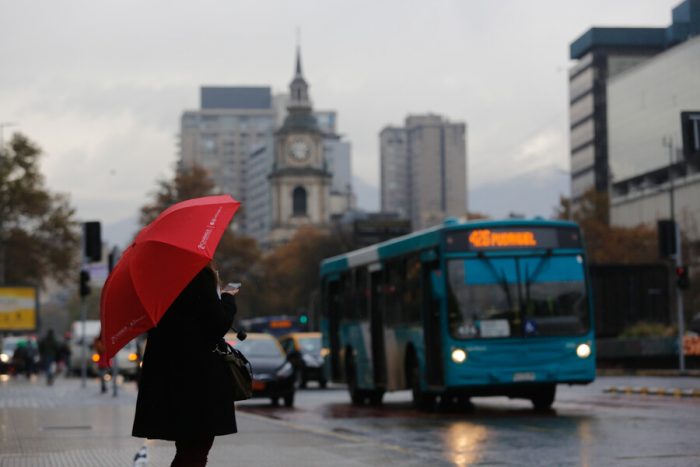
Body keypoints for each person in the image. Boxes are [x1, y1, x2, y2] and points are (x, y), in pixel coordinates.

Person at [132, 261, 239, 467]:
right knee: (196, 450)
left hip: (169, 376)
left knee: (187, 449)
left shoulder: (157, 279)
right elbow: (217, 323)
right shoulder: (196, 275)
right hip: (197, 379)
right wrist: (227, 297)